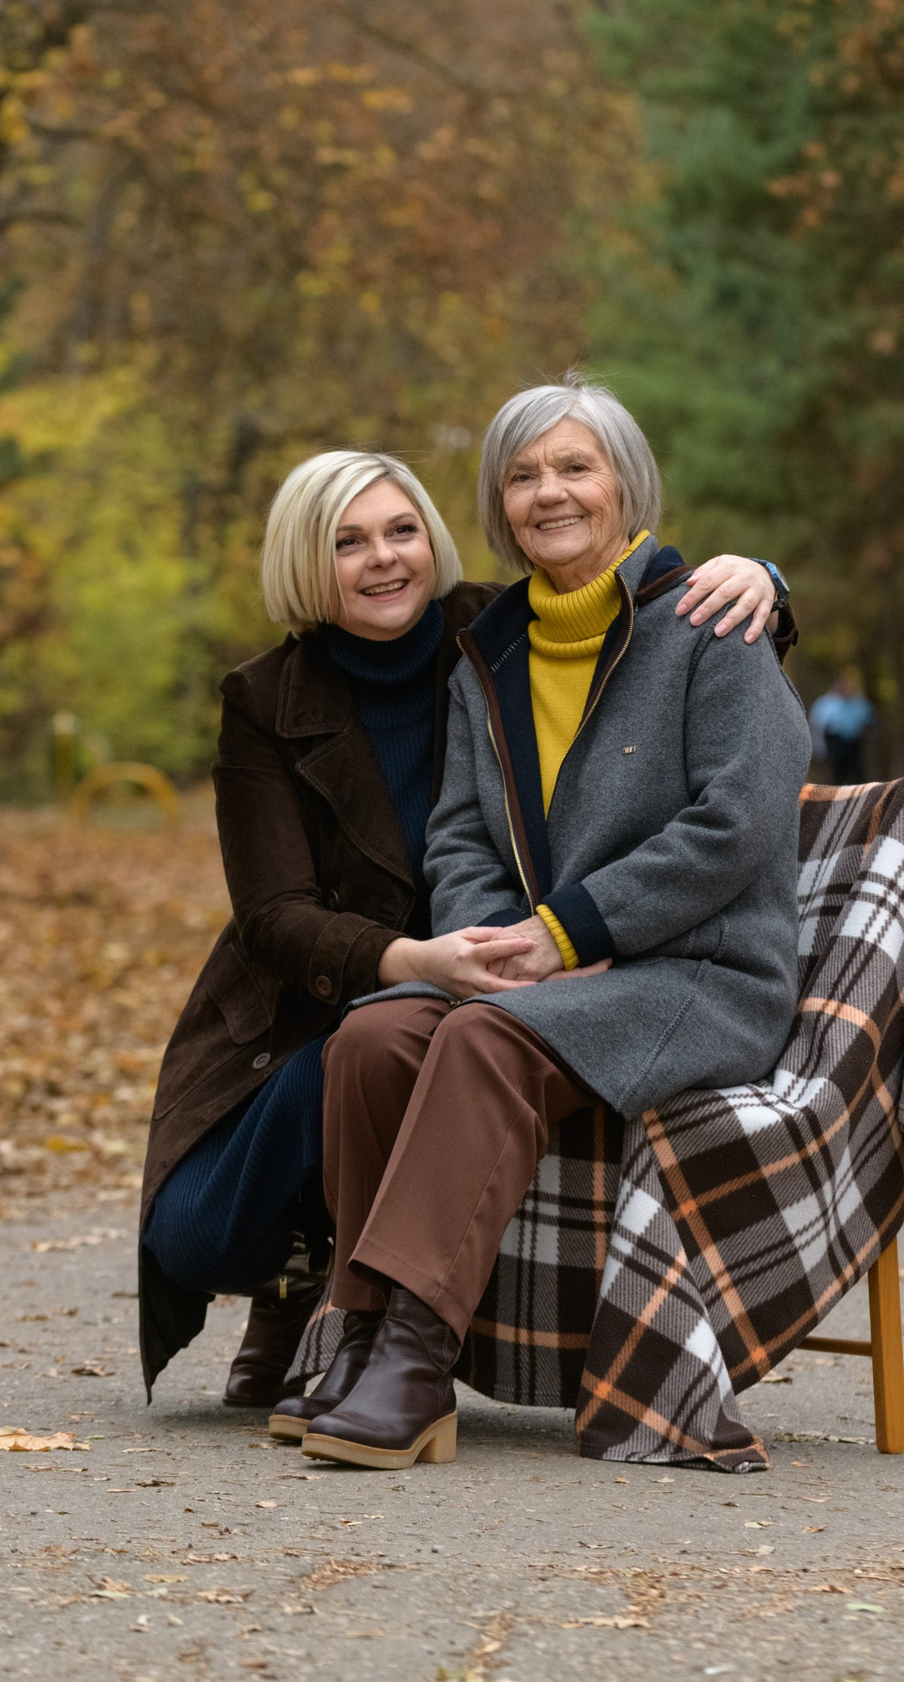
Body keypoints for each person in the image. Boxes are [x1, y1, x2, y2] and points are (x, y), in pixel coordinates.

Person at [136, 446, 791, 1410]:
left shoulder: (489, 631)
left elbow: (626, 599)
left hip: (506, 958)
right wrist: (417, 956)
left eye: (402, 531)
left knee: (411, 1043)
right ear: (305, 565)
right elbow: (273, 915)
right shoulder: (264, 699)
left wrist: (763, 577)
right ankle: (300, 1283)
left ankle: (374, 1336)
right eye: (347, 543)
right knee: (196, 1233)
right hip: (336, 981)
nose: (383, 559)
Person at [284, 376, 811, 1469]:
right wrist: (497, 947)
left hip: (698, 975)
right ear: (499, 505)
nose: (549, 492)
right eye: (522, 475)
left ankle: (417, 1357)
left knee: (485, 1040)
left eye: (576, 466)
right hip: (552, 976)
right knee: (374, 1035)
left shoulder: (713, 622)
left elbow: (736, 825)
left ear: (627, 484)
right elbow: (461, 834)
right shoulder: (490, 653)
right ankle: (360, 1335)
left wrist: (567, 932)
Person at [809, 669, 874, 785]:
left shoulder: (859, 702)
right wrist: (818, 750)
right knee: (837, 776)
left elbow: (870, 721)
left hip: (855, 744)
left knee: (859, 776)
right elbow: (816, 727)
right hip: (834, 744)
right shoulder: (824, 703)